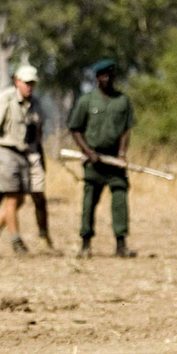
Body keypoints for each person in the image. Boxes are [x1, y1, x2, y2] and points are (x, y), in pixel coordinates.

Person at [0, 63, 52, 255]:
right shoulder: (5, 100)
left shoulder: (36, 105)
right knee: (11, 198)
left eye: (32, 83)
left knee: (20, 199)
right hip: (6, 152)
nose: (29, 86)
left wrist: (41, 157)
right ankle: (16, 241)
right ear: (17, 81)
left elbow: (38, 133)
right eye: (26, 82)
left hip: (27, 153)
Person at [67, 59, 136, 258]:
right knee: (89, 202)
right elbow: (75, 129)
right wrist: (88, 152)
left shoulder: (123, 101)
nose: (106, 79)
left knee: (120, 198)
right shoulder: (87, 101)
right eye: (102, 75)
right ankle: (85, 244)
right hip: (93, 162)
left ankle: (121, 244)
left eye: (109, 75)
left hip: (115, 162)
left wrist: (122, 154)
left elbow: (126, 130)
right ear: (97, 78)